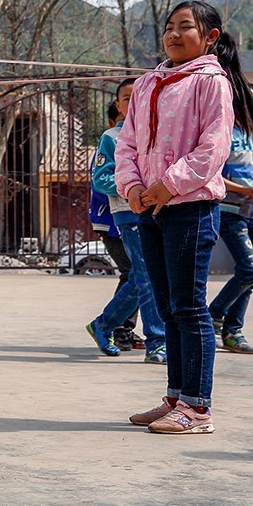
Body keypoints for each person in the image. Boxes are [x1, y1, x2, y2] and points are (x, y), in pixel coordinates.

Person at [116, 1, 253, 435]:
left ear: (210, 37)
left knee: (190, 308)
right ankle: (176, 397)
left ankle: (197, 408)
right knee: (168, 309)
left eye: (185, 27)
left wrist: (169, 185)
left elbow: (214, 148)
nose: (174, 34)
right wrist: (132, 187)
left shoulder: (213, 83)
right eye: (169, 27)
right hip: (149, 209)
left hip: (190, 209)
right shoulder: (146, 83)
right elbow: (127, 143)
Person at [86, 80, 166, 363]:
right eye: (127, 98)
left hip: (158, 212)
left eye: (139, 96)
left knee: (146, 276)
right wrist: (133, 189)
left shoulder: (159, 134)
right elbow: (101, 179)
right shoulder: (111, 137)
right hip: (127, 212)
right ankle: (157, 341)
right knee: (147, 275)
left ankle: (104, 324)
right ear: (118, 106)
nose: (133, 102)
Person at [210, 86, 253, 354]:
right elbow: (212, 175)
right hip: (231, 211)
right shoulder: (224, 135)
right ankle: (214, 314)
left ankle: (233, 332)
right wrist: (243, 190)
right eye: (249, 102)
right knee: (250, 270)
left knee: (248, 276)